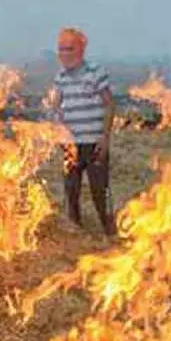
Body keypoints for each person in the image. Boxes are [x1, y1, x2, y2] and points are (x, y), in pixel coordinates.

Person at [50, 27, 117, 237]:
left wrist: (105, 138)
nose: (65, 54)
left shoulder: (95, 72)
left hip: (94, 143)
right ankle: (77, 234)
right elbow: (56, 105)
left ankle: (110, 233)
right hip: (71, 146)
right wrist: (60, 131)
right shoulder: (60, 78)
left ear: (81, 49)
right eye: (61, 50)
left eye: (70, 49)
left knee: (100, 192)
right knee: (71, 191)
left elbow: (109, 105)